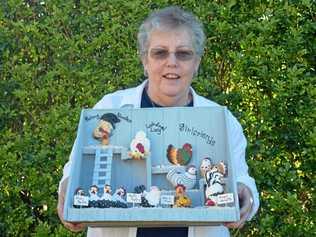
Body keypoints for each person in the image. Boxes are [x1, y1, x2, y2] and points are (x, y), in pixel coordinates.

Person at [57, 6, 259, 237]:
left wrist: (246, 196)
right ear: (145, 61)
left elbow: (242, 180)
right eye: (160, 53)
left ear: (197, 63)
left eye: (183, 53)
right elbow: (74, 171)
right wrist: (68, 191)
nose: (171, 62)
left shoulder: (222, 119)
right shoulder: (107, 108)